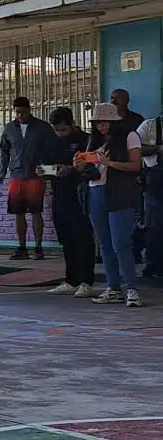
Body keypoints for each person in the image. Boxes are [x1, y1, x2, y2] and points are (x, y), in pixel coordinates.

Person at [78, 102, 143, 307]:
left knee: (120, 243)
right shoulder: (94, 140)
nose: (101, 126)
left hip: (120, 192)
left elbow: (135, 165)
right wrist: (80, 163)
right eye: (98, 122)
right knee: (104, 244)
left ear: (115, 121)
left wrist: (109, 163)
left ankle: (131, 288)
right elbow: (88, 169)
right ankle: (113, 287)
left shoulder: (129, 136)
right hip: (95, 190)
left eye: (105, 121)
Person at [46, 107, 96, 298]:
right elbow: (41, 168)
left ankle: (86, 281)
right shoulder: (52, 142)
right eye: (56, 130)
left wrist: (72, 169)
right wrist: (53, 169)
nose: (60, 133)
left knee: (82, 237)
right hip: (59, 193)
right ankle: (71, 279)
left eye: (63, 130)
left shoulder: (87, 140)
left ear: (72, 124)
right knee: (66, 238)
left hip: (79, 193)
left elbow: (92, 162)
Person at [0, 96, 54, 260]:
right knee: (18, 212)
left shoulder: (42, 127)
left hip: (36, 174)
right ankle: (22, 247)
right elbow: (4, 150)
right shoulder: (9, 128)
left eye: (22, 112)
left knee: (36, 211)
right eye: (17, 112)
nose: (20, 115)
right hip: (16, 173)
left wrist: (47, 169)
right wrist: (3, 171)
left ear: (29, 110)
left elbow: (51, 150)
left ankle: (38, 247)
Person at [136, 112, 163, 277]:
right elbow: (135, 149)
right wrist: (158, 148)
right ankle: (155, 264)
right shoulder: (150, 125)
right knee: (155, 224)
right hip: (155, 180)